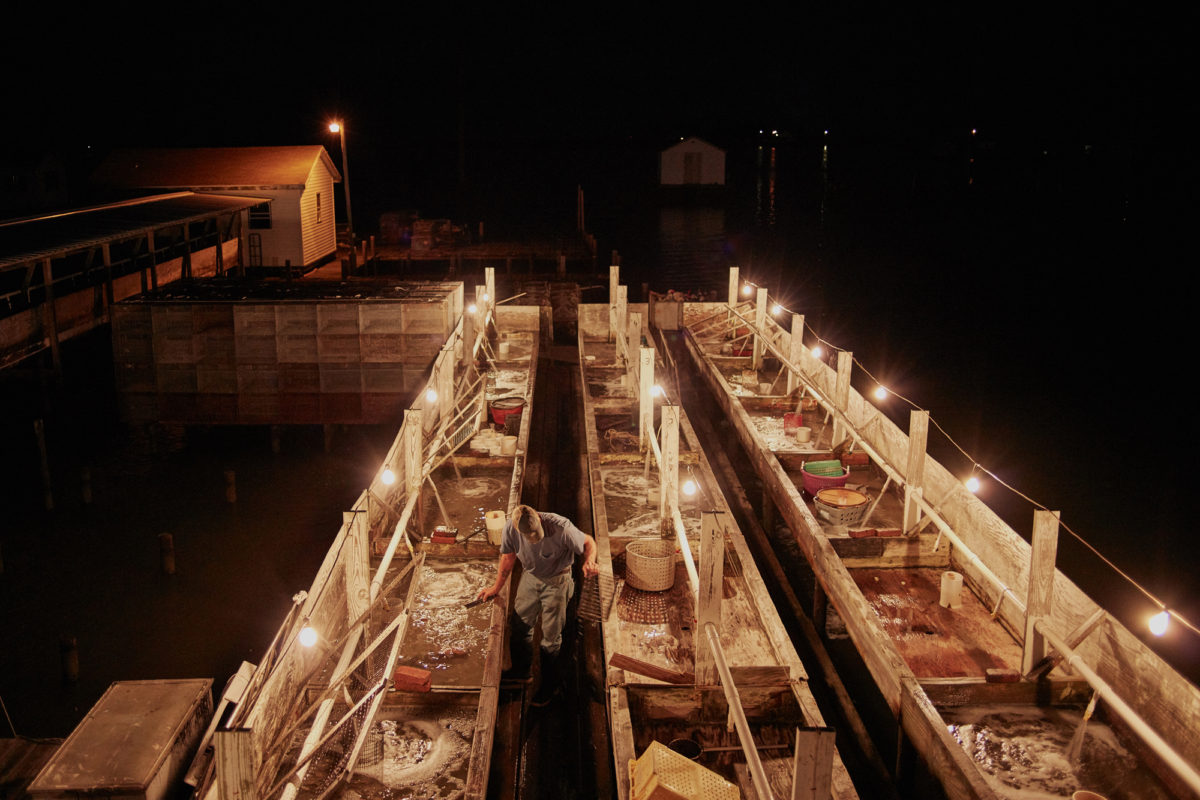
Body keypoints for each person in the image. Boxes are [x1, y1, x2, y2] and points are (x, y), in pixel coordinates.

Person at [476, 504, 598, 705]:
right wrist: (496, 588)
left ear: (539, 519)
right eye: (528, 536)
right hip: (531, 576)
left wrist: (589, 561)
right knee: (519, 625)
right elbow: (508, 557)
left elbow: (588, 542)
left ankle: (550, 685)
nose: (533, 539)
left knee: (551, 638)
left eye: (536, 534)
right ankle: (521, 672)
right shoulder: (510, 528)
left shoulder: (562, 528)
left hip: (558, 581)